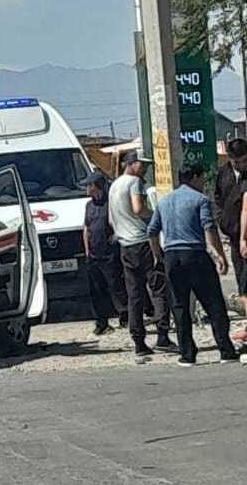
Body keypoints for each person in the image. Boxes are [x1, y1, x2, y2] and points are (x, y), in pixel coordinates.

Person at [149, 163, 239, 366]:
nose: (204, 183)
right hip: (195, 255)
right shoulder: (200, 199)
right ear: (195, 178)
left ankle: (187, 354)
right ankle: (225, 350)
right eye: (202, 179)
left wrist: (158, 256)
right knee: (214, 304)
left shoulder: (164, 202)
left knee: (179, 307)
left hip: (172, 256)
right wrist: (219, 255)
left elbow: (152, 231)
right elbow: (209, 227)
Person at [108, 150, 175, 356]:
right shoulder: (134, 183)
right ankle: (162, 335)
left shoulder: (114, 185)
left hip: (125, 245)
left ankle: (139, 341)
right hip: (143, 242)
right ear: (131, 164)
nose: (145, 168)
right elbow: (138, 209)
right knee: (158, 288)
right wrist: (156, 216)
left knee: (134, 295)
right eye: (142, 164)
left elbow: (111, 219)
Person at [81, 172, 128, 335]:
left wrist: (115, 239)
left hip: (109, 254)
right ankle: (101, 322)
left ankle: (125, 316)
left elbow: (118, 223)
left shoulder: (110, 203)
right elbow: (86, 228)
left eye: (89, 185)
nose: (87, 188)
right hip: (93, 255)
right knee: (96, 289)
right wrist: (87, 250)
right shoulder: (88, 205)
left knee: (116, 286)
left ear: (97, 186)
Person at [216, 139, 247, 342]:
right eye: (237, 162)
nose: (241, 165)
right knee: (241, 280)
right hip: (233, 236)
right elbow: (218, 198)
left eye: (244, 160)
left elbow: (245, 210)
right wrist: (221, 220)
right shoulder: (224, 173)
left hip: (244, 236)